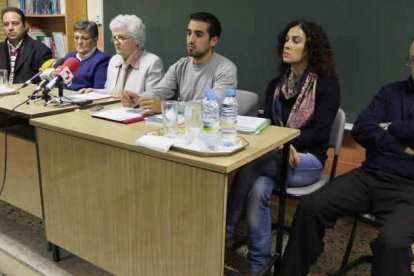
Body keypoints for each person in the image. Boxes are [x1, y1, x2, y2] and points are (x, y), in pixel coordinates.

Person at [278, 39, 414, 276]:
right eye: (413, 60)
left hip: (410, 189)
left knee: (393, 242)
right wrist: (402, 147)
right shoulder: (390, 91)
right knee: (311, 207)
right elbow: (362, 128)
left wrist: (390, 126)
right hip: (369, 175)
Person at [225, 20, 340, 274]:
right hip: (277, 158)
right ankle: (259, 265)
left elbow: (320, 132)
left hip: (308, 160)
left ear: (310, 48)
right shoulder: (276, 85)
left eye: (296, 41)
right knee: (257, 189)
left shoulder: (327, 84)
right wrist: (281, 146)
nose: (287, 45)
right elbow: (269, 126)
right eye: (286, 40)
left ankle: (226, 231)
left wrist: (286, 143)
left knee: (253, 166)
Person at [121, 12, 237, 114]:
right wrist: (139, 99)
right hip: (181, 127)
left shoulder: (226, 69)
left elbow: (215, 105)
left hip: (211, 130)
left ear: (213, 41)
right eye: (189, 33)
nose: (191, 40)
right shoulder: (179, 66)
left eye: (198, 35)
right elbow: (160, 91)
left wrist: (165, 107)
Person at [86, 14, 163, 97]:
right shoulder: (114, 60)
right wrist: (94, 91)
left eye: (121, 38)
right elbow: (111, 92)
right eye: (115, 38)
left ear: (137, 39)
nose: (116, 42)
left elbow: (153, 98)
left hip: (135, 109)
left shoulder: (152, 63)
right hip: (113, 109)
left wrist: (135, 101)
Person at [0, 7, 52, 84]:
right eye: (6, 24)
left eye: (15, 23)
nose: (10, 28)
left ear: (24, 25)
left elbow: (45, 82)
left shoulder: (41, 50)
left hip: (26, 94)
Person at [64, 20, 110, 92]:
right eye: (76, 38)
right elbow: (61, 84)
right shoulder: (69, 57)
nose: (79, 42)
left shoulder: (102, 60)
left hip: (84, 99)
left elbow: (99, 90)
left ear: (95, 39)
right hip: (64, 98)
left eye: (84, 38)